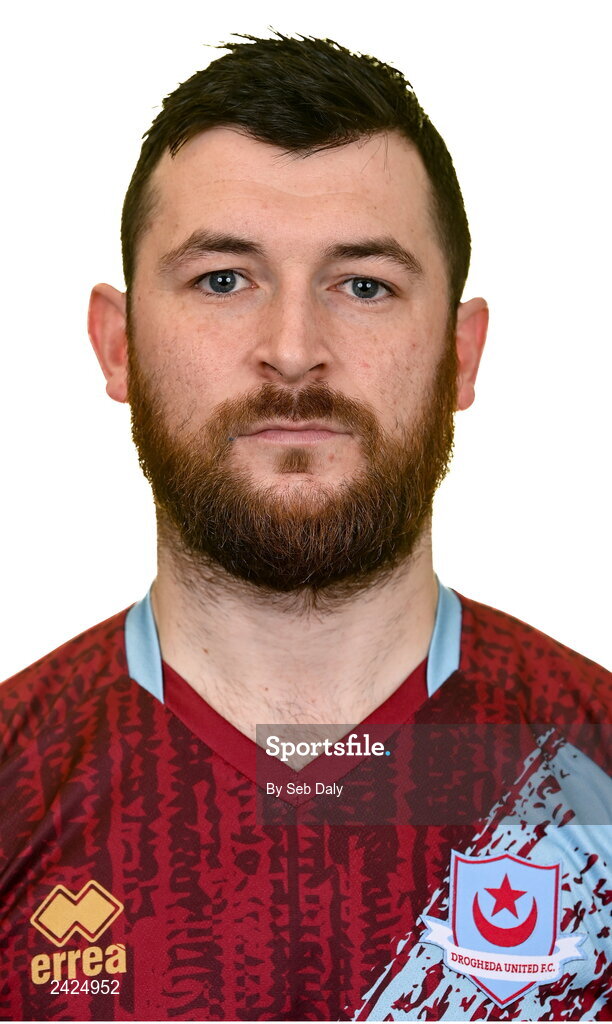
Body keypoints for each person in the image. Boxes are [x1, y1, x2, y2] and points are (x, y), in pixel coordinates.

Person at [0, 32, 609, 1023]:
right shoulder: (16, 780)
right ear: (118, 346)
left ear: (461, 355)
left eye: (363, 285)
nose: (292, 351)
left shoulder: (596, 778)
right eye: (224, 281)